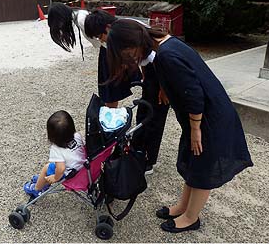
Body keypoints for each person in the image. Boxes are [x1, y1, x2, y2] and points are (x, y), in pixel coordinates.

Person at [105, 19, 253, 233]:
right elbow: (179, 77)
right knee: (193, 160)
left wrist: (195, 129)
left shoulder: (167, 55)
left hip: (209, 118)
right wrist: (165, 87)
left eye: (124, 53)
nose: (127, 58)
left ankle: (191, 218)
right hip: (203, 114)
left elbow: (194, 94)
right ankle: (184, 207)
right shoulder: (164, 43)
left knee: (202, 165)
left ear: (131, 45)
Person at [84, 10, 169, 174]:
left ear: (107, 28)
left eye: (100, 35)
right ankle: (138, 150)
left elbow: (158, 58)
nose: (100, 40)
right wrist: (144, 77)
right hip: (152, 72)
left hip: (163, 73)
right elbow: (143, 60)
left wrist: (164, 89)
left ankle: (149, 161)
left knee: (155, 116)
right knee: (144, 112)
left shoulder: (125, 33)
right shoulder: (119, 32)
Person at [48, 3, 140, 108]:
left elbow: (99, 39)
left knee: (110, 91)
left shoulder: (81, 20)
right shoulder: (80, 14)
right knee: (110, 90)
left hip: (109, 49)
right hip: (107, 49)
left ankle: (111, 115)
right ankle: (112, 112)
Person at [23, 110, 86, 197]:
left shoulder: (56, 149)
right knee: (52, 165)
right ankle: (42, 180)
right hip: (84, 169)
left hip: (71, 174)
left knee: (46, 168)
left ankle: (36, 189)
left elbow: (61, 168)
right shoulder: (77, 136)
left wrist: (55, 178)